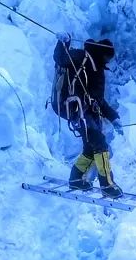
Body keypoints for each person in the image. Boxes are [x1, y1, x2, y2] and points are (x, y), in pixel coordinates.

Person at [52, 33, 125, 197]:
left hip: (86, 113)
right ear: (103, 54)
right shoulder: (81, 57)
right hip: (77, 110)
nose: (108, 62)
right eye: (108, 58)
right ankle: (107, 185)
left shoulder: (97, 66)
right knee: (100, 144)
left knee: (90, 148)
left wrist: (114, 118)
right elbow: (60, 58)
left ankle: (75, 179)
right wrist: (64, 42)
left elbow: (98, 100)